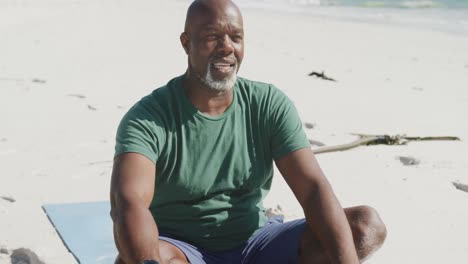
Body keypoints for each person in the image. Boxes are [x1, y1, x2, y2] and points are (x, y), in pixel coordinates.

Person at [110, 0, 387, 263]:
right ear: (186, 43)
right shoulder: (148, 119)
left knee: (365, 227)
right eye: (211, 36)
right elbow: (129, 203)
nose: (226, 47)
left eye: (236, 37)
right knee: (131, 259)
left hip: (258, 243)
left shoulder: (267, 104)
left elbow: (313, 190)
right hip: (184, 249)